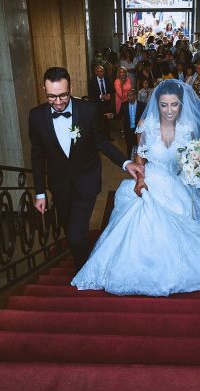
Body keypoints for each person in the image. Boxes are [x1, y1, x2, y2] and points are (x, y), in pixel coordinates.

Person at [72, 80, 200, 296]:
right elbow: (140, 155)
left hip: (179, 184)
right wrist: (140, 180)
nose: (169, 110)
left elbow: (194, 155)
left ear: (181, 105)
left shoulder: (188, 128)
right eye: (164, 105)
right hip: (152, 179)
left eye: (174, 105)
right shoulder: (146, 125)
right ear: (157, 104)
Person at [30, 67, 144, 271]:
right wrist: (40, 192)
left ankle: (83, 270)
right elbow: (37, 158)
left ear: (71, 88)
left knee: (76, 234)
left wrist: (127, 164)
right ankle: (81, 255)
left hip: (86, 181)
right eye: (51, 97)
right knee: (69, 229)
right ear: (43, 91)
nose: (58, 102)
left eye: (63, 95)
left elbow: (103, 143)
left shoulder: (88, 110)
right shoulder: (36, 117)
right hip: (60, 186)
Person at [88, 64, 116, 139]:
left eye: (102, 71)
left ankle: (107, 137)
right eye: (99, 71)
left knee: (107, 120)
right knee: (98, 122)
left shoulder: (107, 78)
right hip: (97, 104)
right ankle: (99, 138)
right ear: (96, 72)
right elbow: (91, 95)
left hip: (107, 103)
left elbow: (112, 90)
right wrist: (101, 96)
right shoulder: (92, 81)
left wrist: (109, 95)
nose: (101, 73)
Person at [116, 88, 146, 159]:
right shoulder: (124, 105)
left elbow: (145, 118)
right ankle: (130, 160)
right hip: (128, 130)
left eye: (130, 96)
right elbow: (119, 116)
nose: (128, 98)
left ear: (135, 96)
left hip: (138, 131)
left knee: (139, 147)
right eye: (127, 96)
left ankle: (139, 160)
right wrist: (113, 116)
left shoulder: (141, 105)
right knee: (129, 147)